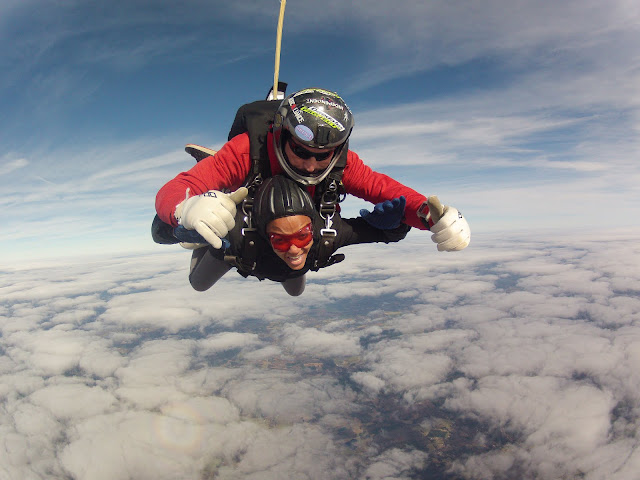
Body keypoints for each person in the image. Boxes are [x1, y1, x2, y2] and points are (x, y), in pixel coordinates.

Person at [155, 87, 470, 288]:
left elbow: (389, 192)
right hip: (252, 212)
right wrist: (185, 209)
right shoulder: (247, 150)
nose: (310, 165)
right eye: (302, 152)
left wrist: (433, 217)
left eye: (324, 156)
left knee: (295, 281)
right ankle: (217, 207)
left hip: (299, 228)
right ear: (284, 135)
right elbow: (177, 189)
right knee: (198, 274)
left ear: (339, 148)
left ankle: (286, 239)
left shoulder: (345, 164)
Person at [187, 175, 411, 296]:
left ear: (313, 227)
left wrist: (395, 225)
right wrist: (195, 218)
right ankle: (224, 194)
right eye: (280, 239)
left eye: (302, 236)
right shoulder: (236, 234)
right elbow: (161, 232)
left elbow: (387, 234)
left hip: (280, 269)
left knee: (296, 292)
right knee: (198, 284)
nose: (294, 249)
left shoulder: (329, 232)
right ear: (265, 234)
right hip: (236, 251)